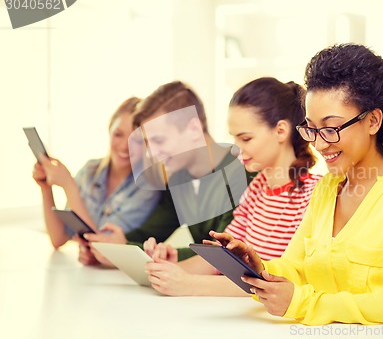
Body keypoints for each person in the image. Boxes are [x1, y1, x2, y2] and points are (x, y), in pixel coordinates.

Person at [207, 44, 383, 338]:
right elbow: (296, 268)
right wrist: (257, 267)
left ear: (373, 120)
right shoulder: (328, 188)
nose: (319, 144)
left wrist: (303, 303)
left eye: (331, 128)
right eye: (311, 129)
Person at [144, 77, 322, 296]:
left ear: (281, 131)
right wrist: (166, 271)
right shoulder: (256, 190)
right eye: (234, 139)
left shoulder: (314, 196)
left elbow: (280, 283)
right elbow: (221, 258)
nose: (236, 149)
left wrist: (188, 284)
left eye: (246, 139)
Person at [81, 81, 254, 266]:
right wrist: (112, 247)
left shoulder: (245, 175)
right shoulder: (180, 178)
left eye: (159, 140)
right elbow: (150, 231)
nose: (152, 153)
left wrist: (158, 253)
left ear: (194, 129)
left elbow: (224, 254)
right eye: (148, 142)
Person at [32, 97, 161, 251]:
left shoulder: (148, 188)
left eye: (137, 140)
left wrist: (69, 187)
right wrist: (45, 187)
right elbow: (58, 238)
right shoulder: (90, 171)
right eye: (118, 134)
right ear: (109, 131)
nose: (124, 146)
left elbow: (103, 247)